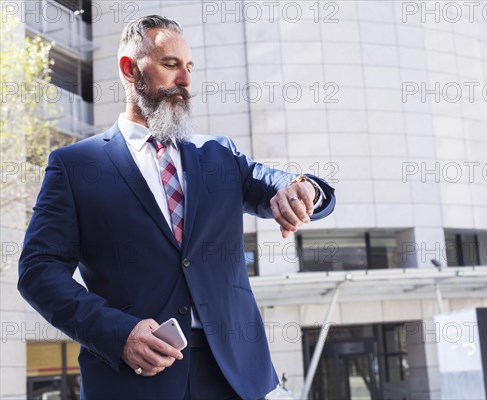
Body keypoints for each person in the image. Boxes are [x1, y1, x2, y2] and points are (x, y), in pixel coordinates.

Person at [18, 15, 335, 400]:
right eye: (170, 65)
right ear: (129, 69)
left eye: (188, 67)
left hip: (236, 376)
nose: (185, 80)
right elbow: (39, 272)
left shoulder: (219, 154)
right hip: (133, 378)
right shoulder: (76, 166)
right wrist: (119, 334)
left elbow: (280, 184)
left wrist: (303, 191)